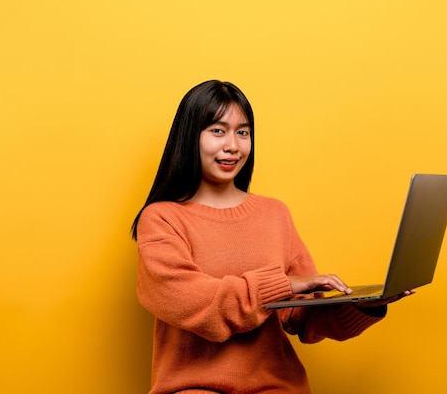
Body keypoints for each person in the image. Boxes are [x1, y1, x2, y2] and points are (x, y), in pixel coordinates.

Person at [131, 80, 413, 394]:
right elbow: (192, 302)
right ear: (189, 137)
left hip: (274, 386)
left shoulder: (275, 213)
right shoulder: (161, 218)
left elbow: (302, 317)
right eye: (217, 130)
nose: (233, 146)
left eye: (243, 132)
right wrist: (282, 285)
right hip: (194, 387)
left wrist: (368, 304)